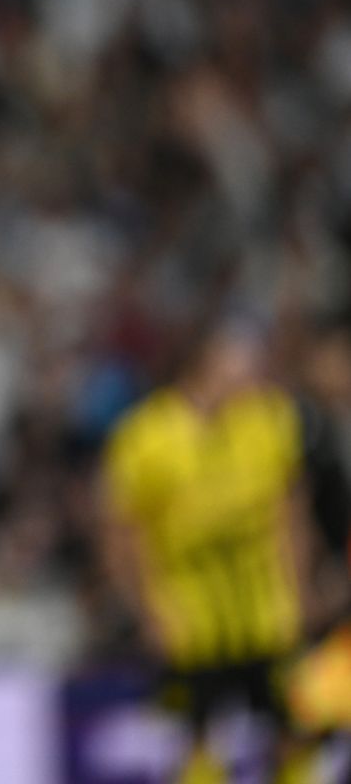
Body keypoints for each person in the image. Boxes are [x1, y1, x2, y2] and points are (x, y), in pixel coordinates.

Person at [101, 321, 313, 782]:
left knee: (294, 730)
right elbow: (122, 537)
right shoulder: (146, 437)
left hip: (264, 614)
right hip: (189, 621)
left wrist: (299, 590)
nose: (250, 379)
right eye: (240, 368)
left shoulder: (269, 419)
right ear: (205, 368)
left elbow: (290, 514)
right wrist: (145, 612)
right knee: (195, 740)